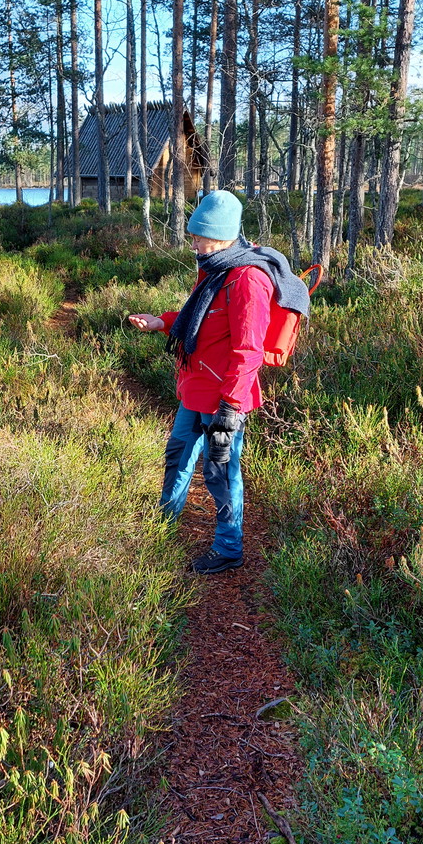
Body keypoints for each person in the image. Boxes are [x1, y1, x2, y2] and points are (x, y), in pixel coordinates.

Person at [128, 190, 309, 574]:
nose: (193, 242)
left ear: (224, 235)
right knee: (177, 456)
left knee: (220, 472)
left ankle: (229, 548)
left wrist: (229, 409)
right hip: (195, 388)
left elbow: (249, 350)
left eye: (199, 236)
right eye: (193, 234)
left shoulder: (247, 280)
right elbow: (203, 318)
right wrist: (163, 321)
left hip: (224, 399)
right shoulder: (215, 267)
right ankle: (162, 528)